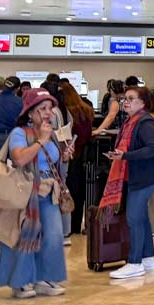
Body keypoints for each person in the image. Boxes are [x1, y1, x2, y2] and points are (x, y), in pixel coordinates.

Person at [0, 88, 69, 299]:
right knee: (25, 235)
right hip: (25, 191)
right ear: (29, 112)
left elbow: (51, 160)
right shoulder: (20, 133)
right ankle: (21, 280)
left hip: (48, 190)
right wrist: (41, 142)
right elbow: (19, 159)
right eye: (42, 109)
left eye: (50, 108)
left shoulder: (50, 133)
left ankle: (44, 277)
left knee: (53, 235)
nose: (48, 113)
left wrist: (63, 155)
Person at [97, 84, 154, 281]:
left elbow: (153, 148)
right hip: (139, 175)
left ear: (142, 103)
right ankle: (148, 258)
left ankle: (134, 262)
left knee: (134, 218)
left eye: (130, 98)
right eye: (124, 98)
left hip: (145, 176)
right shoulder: (133, 122)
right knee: (141, 218)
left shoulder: (145, 123)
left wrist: (126, 155)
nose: (125, 102)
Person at [60, 82, 95, 236]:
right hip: (84, 154)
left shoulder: (66, 112)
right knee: (80, 191)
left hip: (70, 153)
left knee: (68, 190)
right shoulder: (86, 109)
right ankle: (76, 225)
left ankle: (67, 226)